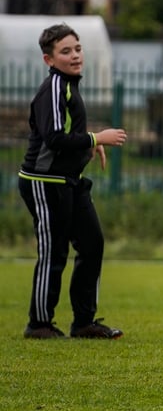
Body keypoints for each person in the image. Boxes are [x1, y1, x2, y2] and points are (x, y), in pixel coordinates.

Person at [18, 23, 128, 340]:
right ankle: (38, 324)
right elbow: (53, 137)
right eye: (65, 51)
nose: (75, 55)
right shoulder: (54, 86)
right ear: (48, 60)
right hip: (44, 181)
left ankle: (84, 322)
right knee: (54, 253)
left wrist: (90, 144)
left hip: (70, 180)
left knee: (92, 243)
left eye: (77, 48)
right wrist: (97, 136)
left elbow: (66, 131)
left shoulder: (69, 85)